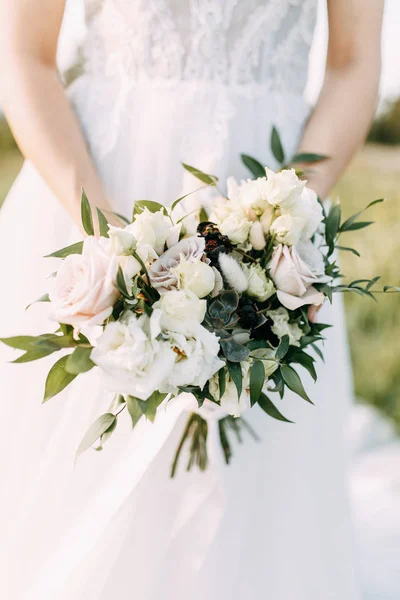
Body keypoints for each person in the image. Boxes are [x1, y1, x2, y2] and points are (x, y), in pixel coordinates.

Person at [0, 1, 384, 599]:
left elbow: (354, 63)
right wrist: (113, 247)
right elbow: (24, 54)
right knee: (90, 469)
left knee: (253, 485)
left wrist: (278, 227)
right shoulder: (102, 229)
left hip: (270, 190)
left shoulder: (277, 223)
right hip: (98, 187)